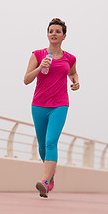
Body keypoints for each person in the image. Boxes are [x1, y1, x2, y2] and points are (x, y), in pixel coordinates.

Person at [24, 18, 79, 198]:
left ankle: (45, 182)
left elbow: (72, 72)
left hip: (60, 105)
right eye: (51, 31)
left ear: (64, 35)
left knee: (51, 142)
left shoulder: (70, 58)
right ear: (47, 34)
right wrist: (40, 67)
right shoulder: (38, 54)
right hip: (39, 105)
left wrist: (76, 81)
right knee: (42, 147)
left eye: (57, 31)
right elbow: (26, 80)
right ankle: (51, 176)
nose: (53, 34)